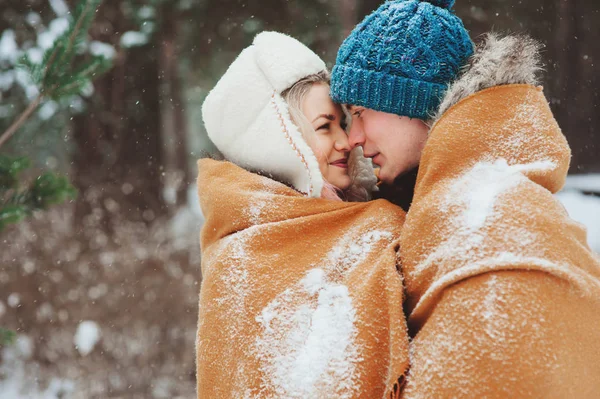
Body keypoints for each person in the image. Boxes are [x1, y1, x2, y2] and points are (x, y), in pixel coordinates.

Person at [331, 0, 600, 397]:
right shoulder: (461, 206)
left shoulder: (497, 223)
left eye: (361, 111)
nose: (353, 138)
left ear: (411, 102)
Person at [196, 31, 409, 398]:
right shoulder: (237, 256)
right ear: (280, 142)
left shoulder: (375, 221)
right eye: (324, 126)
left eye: (342, 123)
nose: (345, 141)